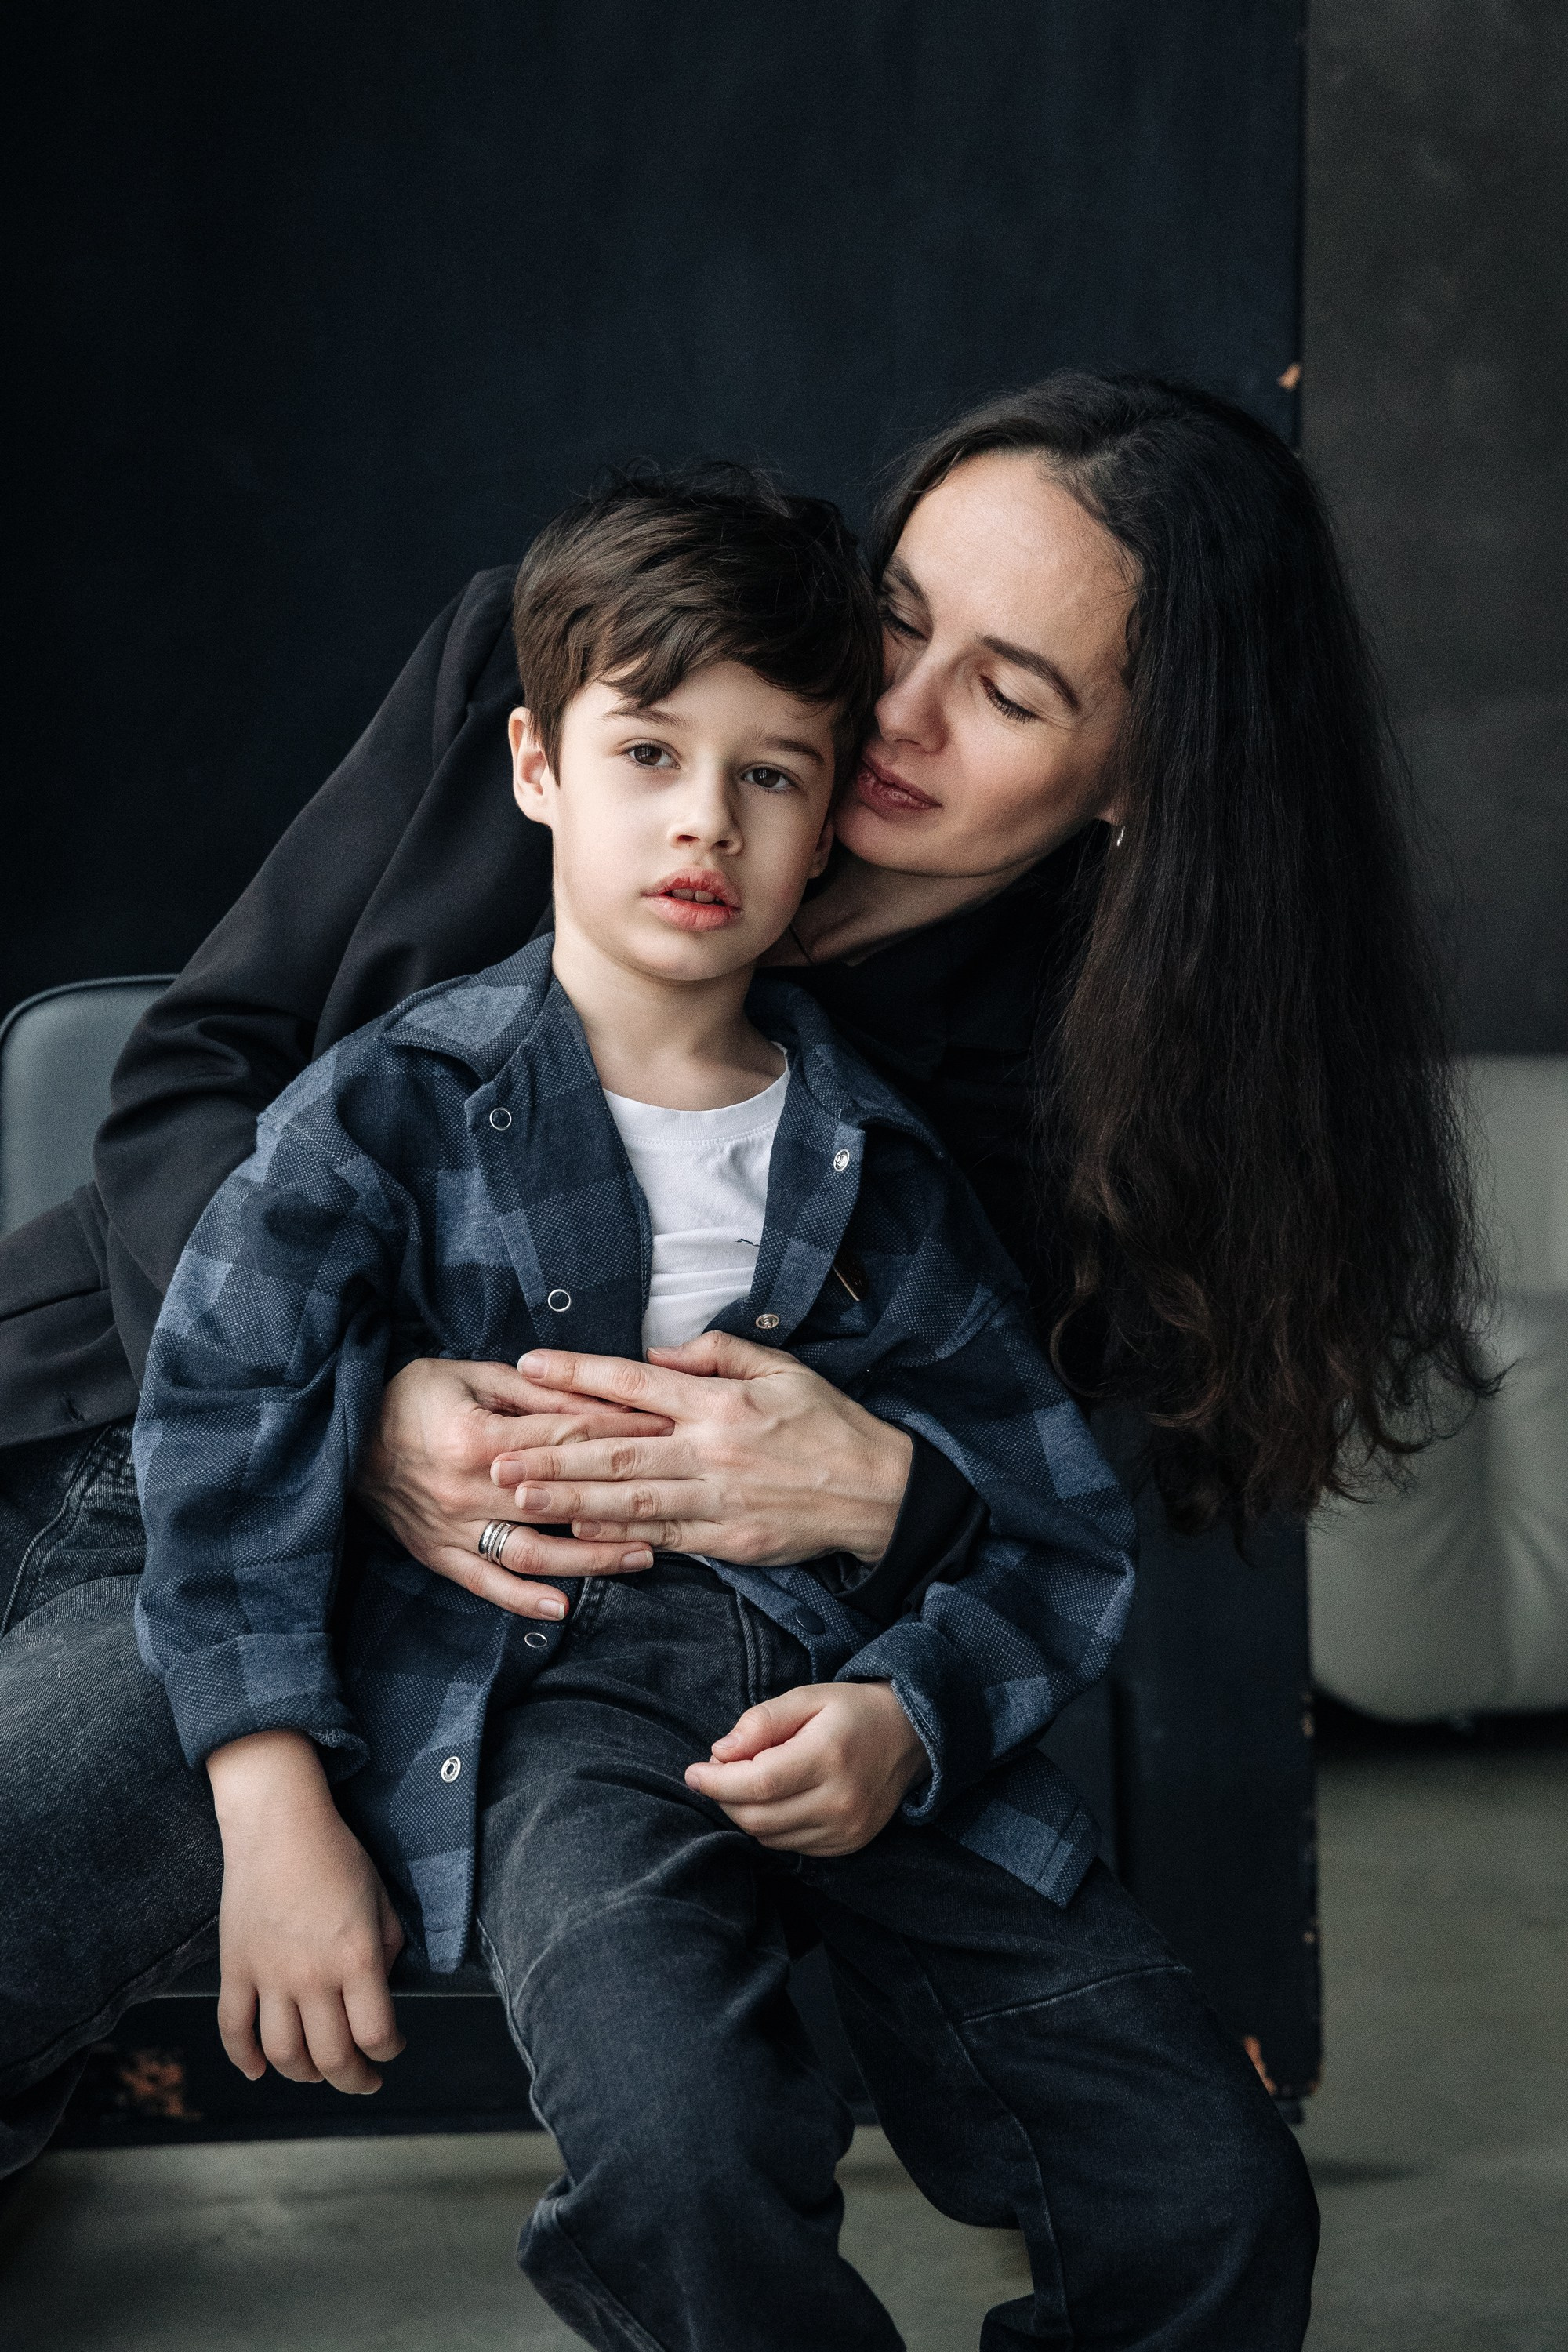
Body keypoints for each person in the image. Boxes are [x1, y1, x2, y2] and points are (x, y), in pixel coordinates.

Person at [2, 368, 1484, 2339]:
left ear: (1144, 777)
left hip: (718, 1634)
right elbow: (197, 1070)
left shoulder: (1108, 1067)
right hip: (206, 1429)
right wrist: (364, 1411)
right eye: (894, 625)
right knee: (53, 1825)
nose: (891, 714)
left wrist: (889, 1491)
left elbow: (1035, 1478)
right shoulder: (614, 664)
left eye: (1012, 693)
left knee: (1108, 2162)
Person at [132, 476, 1145, 2352]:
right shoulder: (383, 1113)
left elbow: (1058, 1516)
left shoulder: (889, 1159)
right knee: (684, 2150)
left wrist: (910, 1709)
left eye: (771, 775)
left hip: (847, 1692)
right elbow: (219, 1420)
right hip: (551, 1713)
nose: (703, 818)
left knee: (1196, 2180)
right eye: (651, 754)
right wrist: (272, 1803)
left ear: (828, 807)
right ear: (534, 768)